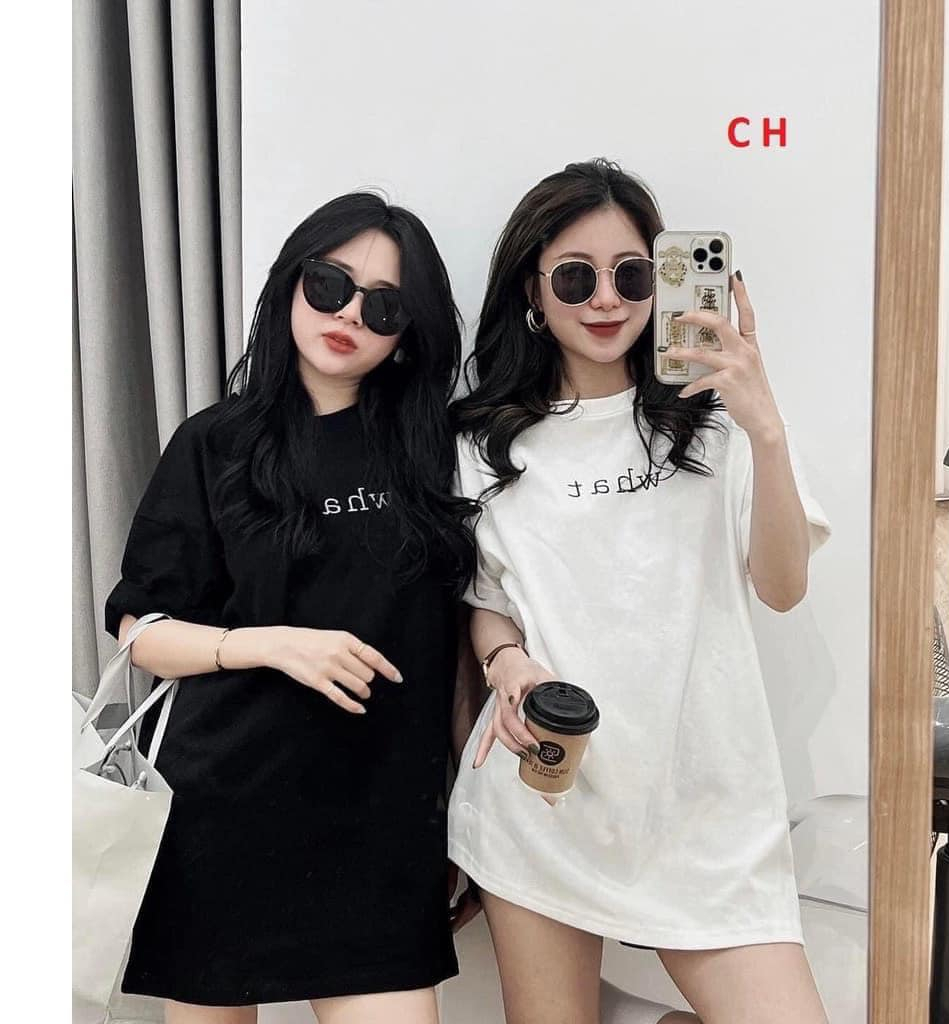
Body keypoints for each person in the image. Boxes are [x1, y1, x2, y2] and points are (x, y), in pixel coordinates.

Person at [447, 159, 833, 1024]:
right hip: (546, 792)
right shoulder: (484, 444)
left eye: (631, 275)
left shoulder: (717, 422)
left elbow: (782, 588)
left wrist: (766, 428)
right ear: (533, 292)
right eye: (574, 278)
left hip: (708, 807)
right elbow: (489, 599)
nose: (605, 300)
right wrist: (507, 662)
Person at [106, 192, 480, 1024]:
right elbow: (142, 635)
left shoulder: (436, 453)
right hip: (222, 814)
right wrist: (272, 644)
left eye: (383, 306)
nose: (349, 315)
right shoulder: (214, 443)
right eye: (330, 284)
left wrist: (468, 813)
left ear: (405, 334)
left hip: (382, 827)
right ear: (290, 284)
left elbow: (456, 643)